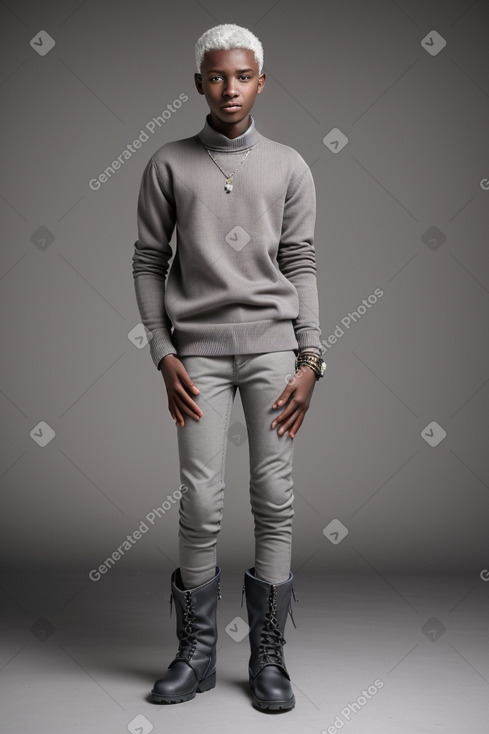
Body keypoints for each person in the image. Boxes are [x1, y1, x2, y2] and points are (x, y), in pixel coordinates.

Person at [132, 23, 326, 712]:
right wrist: (162, 351)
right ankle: (197, 654)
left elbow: (299, 263)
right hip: (199, 355)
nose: (229, 88)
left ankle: (269, 657)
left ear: (260, 82)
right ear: (198, 84)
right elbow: (149, 261)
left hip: (274, 349)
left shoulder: (290, 165)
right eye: (216, 76)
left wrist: (311, 358)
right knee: (201, 502)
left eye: (241, 76)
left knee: (274, 499)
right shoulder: (168, 163)